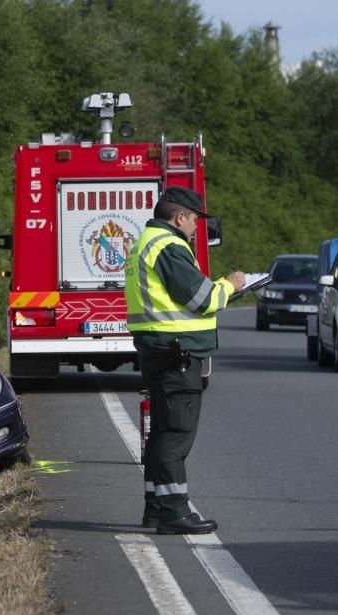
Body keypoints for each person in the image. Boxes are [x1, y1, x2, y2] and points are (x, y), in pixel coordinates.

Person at [123, 186, 245, 535]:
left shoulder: (144, 243)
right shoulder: (170, 246)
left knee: (162, 430)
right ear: (180, 217)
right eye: (194, 221)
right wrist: (232, 285)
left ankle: (157, 508)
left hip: (158, 349)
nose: (195, 228)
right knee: (175, 434)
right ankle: (174, 511)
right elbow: (201, 297)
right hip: (177, 352)